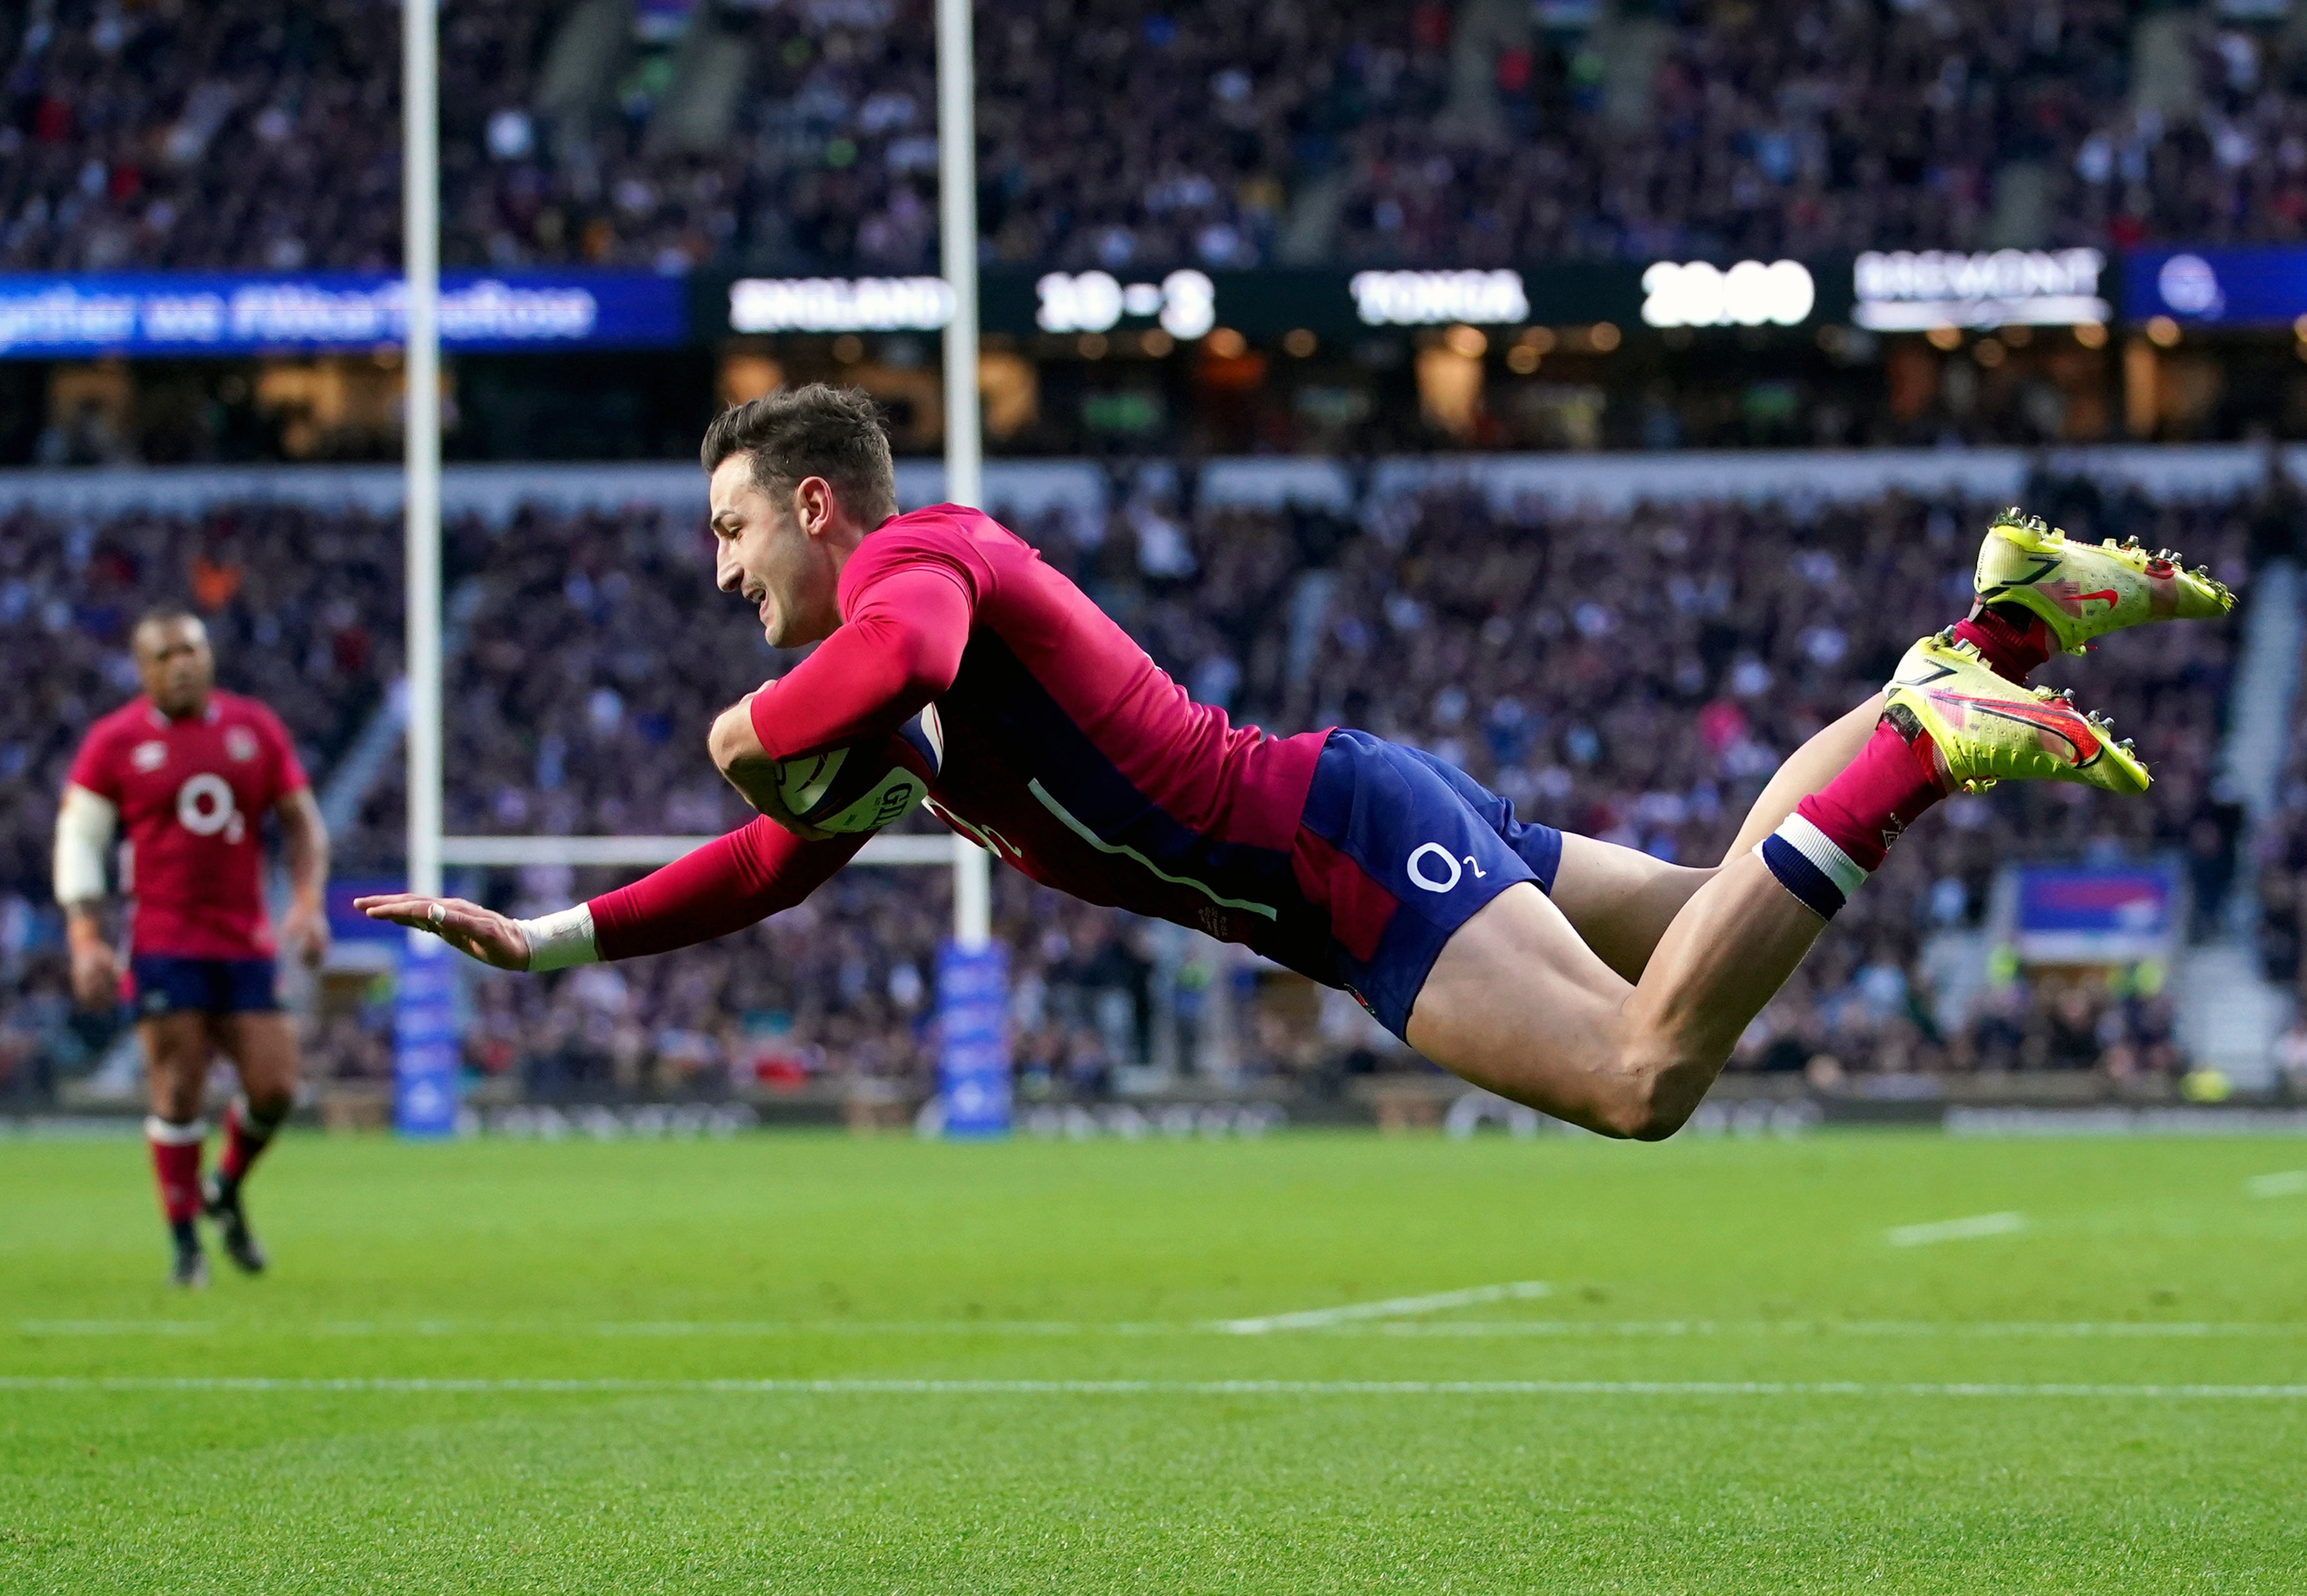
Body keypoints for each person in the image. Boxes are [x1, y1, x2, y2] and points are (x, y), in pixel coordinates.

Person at [360, 385, 2230, 1139]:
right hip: (1353, 812)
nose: (719, 568)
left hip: (1337, 852)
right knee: (1709, 896)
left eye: (730, 530)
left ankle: (1914, 735)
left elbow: (892, 662)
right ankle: (1995, 627)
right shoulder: (878, 719)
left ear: (816, 502)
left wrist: (744, 730)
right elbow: (776, 861)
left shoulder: (916, 564)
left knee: (1646, 1071)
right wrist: (550, 941)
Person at [57, 610, 330, 1287]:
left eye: (191, 649)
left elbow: (301, 822)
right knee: (178, 1090)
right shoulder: (114, 740)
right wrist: (85, 937)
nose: (181, 662)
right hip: (164, 940)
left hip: (243, 940)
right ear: (143, 669)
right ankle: (184, 1243)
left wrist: (306, 900)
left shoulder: (253, 727)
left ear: (209, 655)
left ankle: (226, 1188)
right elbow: (79, 840)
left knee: (275, 1086)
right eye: (164, 654)